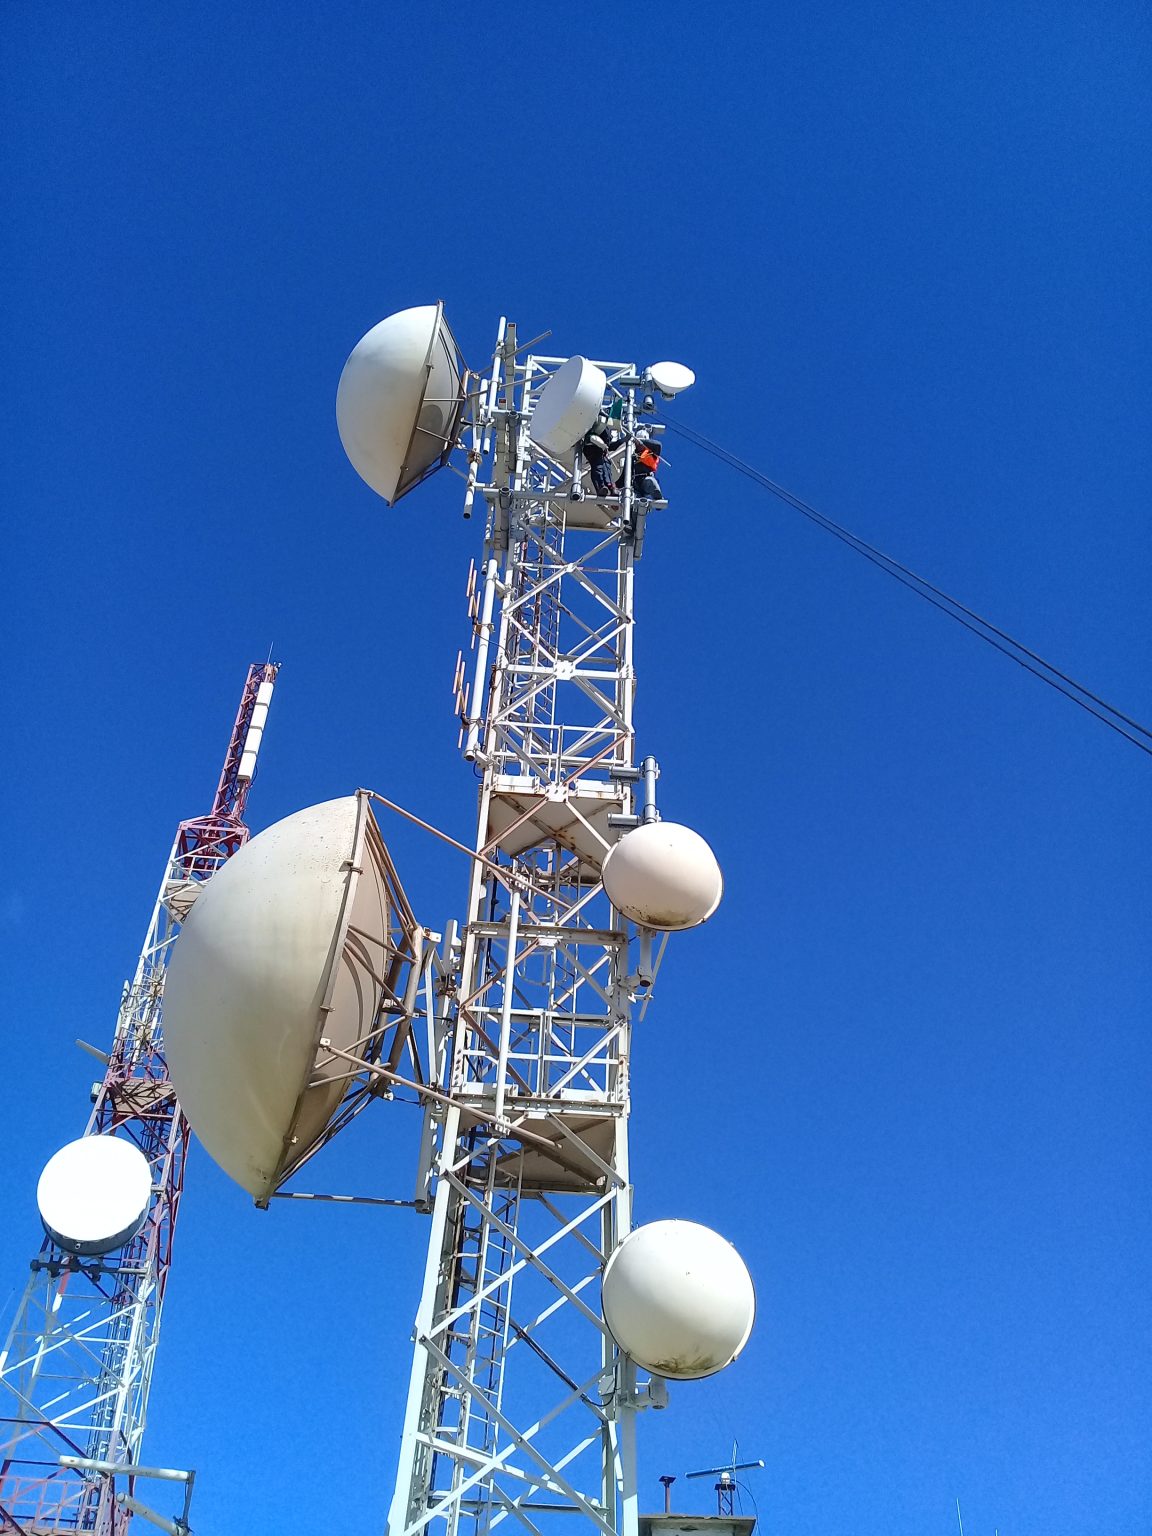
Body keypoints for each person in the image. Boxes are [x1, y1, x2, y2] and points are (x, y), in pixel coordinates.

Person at [580, 416, 618, 499]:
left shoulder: (593, 435)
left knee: (605, 469)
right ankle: (601, 487)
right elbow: (594, 439)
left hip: (598, 453)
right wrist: (604, 446)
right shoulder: (590, 434)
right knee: (599, 468)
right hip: (594, 452)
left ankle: (611, 487)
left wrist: (604, 447)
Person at [619, 429, 662, 501]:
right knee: (632, 498)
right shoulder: (630, 454)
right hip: (632, 484)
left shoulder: (650, 453)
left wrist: (642, 442)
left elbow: (658, 445)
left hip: (644, 480)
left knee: (650, 481)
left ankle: (658, 497)